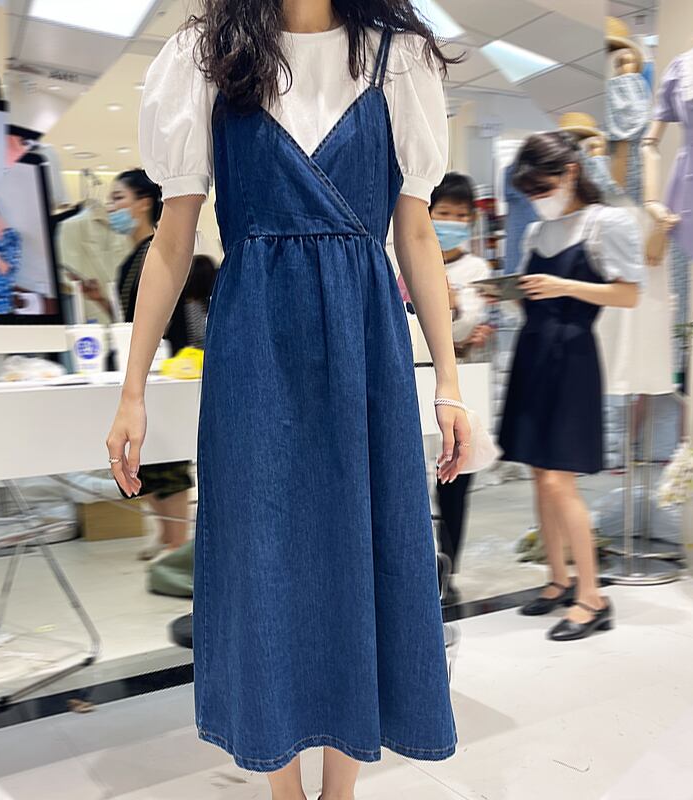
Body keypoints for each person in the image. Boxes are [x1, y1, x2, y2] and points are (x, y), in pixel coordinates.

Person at [107, 3, 471, 798]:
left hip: (366, 343)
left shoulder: (399, 57)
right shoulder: (205, 54)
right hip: (255, 347)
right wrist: (132, 389)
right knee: (261, 554)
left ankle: (341, 788)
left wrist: (449, 381)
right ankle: (281, 787)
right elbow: (172, 240)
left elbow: (415, 235)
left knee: (362, 546)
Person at [496, 131, 643, 641]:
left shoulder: (607, 223)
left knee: (560, 479)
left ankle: (593, 597)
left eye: (543, 187)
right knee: (540, 474)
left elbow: (628, 294)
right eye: (530, 191)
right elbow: (531, 295)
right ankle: (558, 579)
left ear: (571, 173)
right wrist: (512, 292)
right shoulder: (538, 232)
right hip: (533, 351)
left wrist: (562, 287)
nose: (538, 198)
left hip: (573, 356)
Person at [94, 168, 202, 557]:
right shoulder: (131, 260)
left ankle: (177, 540)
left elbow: (173, 315)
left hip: (171, 364)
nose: (111, 208)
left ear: (143, 203)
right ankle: (166, 534)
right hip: (146, 363)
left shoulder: (159, 250)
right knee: (148, 455)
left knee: (168, 456)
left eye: (118, 198)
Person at [429, 172, 492, 606]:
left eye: (460, 216)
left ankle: (448, 569)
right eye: (444, 213)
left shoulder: (476, 270)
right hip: (414, 375)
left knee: (455, 481)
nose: (451, 222)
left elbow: (470, 330)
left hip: (461, 382)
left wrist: (452, 308)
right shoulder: (406, 259)